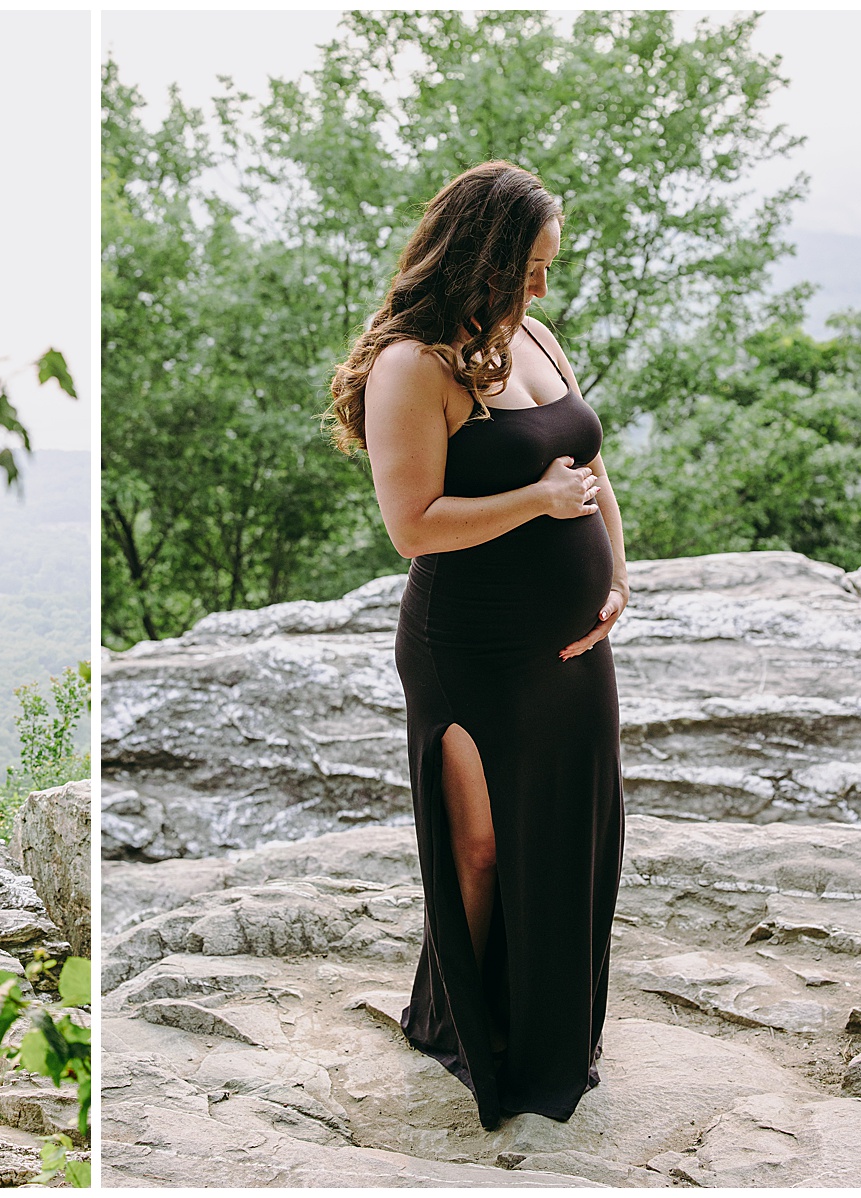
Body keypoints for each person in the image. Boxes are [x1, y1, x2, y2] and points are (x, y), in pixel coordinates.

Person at [325, 160, 629, 1130]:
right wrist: (537, 503)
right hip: (474, 644)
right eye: (530, 264)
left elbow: (589, 464)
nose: (544, 284)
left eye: (548, 266)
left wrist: (617, 572)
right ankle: (464, 1027)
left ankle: (550, 1035)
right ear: (484, 255)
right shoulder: (414, 365)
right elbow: (413, 524)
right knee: (485, 847)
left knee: (573, 833)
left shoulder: (532, 335)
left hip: (571, 647)